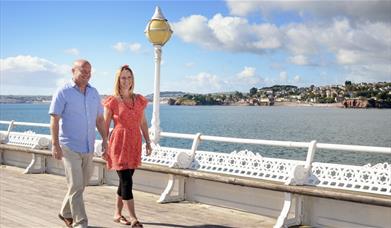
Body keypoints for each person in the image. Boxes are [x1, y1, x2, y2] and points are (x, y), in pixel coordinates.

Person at [49, 59, 108, 228]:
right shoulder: (63, 92)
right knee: (75, 184)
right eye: (83, 72)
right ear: (73, 71)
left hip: (88, 147)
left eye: (89, 73)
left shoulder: (94, 93)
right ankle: (80, 223)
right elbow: (54, 119)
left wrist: (105, 139)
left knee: (81, 185)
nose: (87, 76)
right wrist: (55, 144)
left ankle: (65, 212)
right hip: (69, 146)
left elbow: (99, 119)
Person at [102, 64, 152, 227]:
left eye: (129, 77)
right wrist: (104, 145)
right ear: (118, 79)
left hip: (134, 142)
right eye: (123, 77)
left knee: (125, 180)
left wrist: (148, 141)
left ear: (133, 80)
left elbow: (143, 122)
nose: (126, 81)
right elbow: (105, 124)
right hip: (118, 143)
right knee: (126, 182)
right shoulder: (112, 101)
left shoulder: (139, 100)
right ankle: (133, 218)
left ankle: (117, 213)